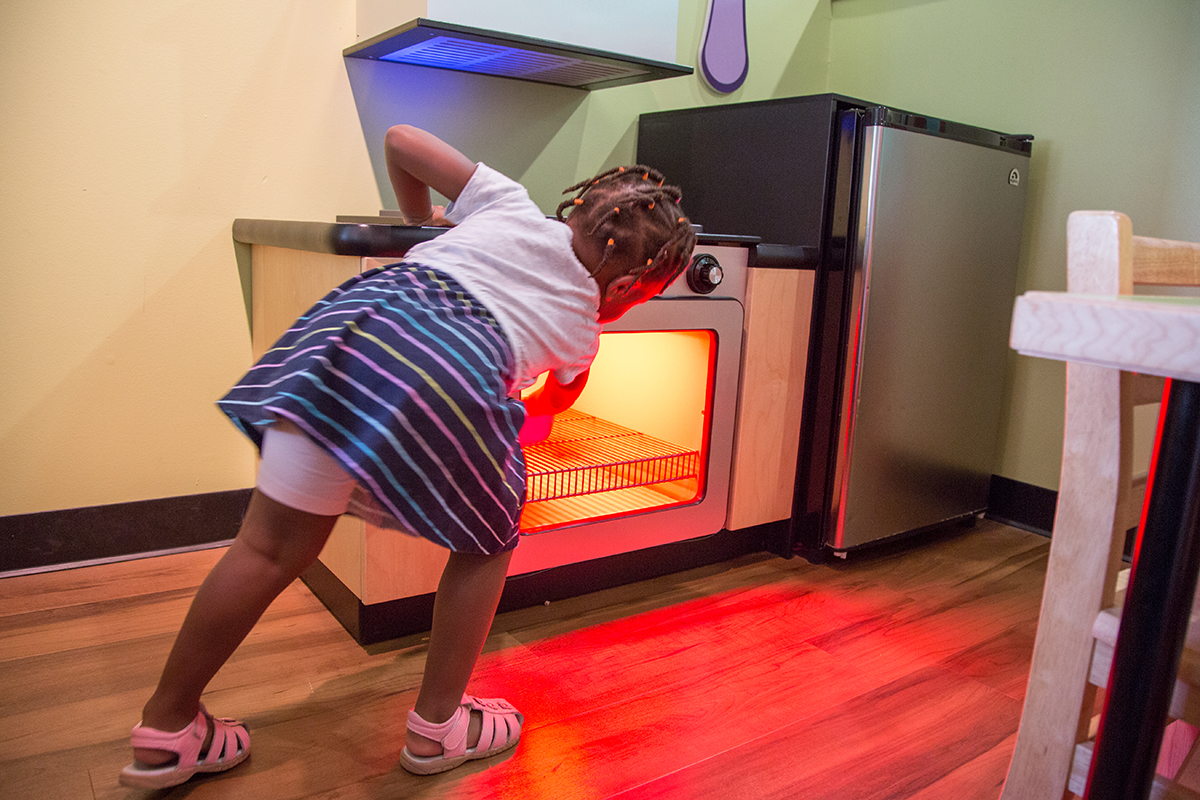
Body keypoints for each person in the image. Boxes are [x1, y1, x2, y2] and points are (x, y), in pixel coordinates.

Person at [118, 124, 697, 788]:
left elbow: (400, 141)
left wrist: (425, 222)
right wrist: (515, 416)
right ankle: (437, 729)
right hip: (453, 366)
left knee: (269, 546)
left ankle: (166, 730)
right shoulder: (582, 331)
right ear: (628, 289)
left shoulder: (506, 202)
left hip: (352, 329)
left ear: (581, 205)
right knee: (491, 538)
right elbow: (552, 408)